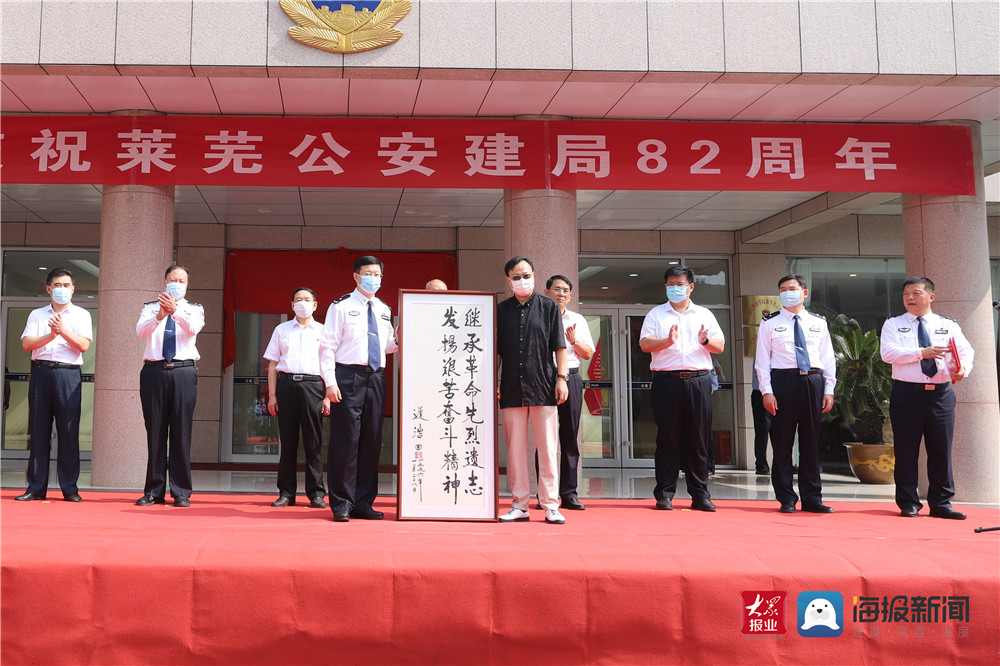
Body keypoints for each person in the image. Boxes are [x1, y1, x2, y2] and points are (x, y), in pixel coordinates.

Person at [880, 277, 974, 520]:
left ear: (930, 297)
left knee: (941, 450)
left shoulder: (948, 325)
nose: (910, 298)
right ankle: (909, 503)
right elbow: (888, 353)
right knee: (906, 450)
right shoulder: (893, 324)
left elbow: (965, 352)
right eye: (906, 294)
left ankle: (942, 503)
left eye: (916, 293)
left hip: (941, 395)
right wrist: (921, 353)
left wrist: (963, 369)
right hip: (906, 393)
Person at [639, 265, 725, 512]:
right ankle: (664, 494)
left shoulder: (704, 314)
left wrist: (705, 341)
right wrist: (667, 341)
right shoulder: (656, 314)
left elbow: (720, 346)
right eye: (671, 284)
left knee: (698, 440)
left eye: (680, 284)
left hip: (699, 381)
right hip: (667, 381)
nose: (675, 289)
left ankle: (700, 494)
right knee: (668, 438)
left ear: (691, 287)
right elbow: (644, 344)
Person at [321, 256, 397, 522]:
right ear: (356, 276)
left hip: (376, 377)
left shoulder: (384, 308)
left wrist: (400, 336)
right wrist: (330, 382)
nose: (373, 278)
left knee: (371, 440)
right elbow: (328, 346)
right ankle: (342, 502)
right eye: (368, 273)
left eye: (377, 274)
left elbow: (388, 345)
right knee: (346, 440)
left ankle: (364, 501)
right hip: (347, 377)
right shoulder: (340, 306)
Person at [497, 257, 569, 525]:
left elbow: (559, 346)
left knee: (548, 448)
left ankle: (551, 504)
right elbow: (497, 352)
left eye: (526, 275)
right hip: (511, 388)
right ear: (508, 280)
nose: (522, 281)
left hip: (544, 385)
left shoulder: (549, 306)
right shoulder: (501, 310)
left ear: (534, 276)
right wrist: (494, 382)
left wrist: (561, 378)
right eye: (516, 277)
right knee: (515, 450)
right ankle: (519, 505)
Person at [755, 274, 835, 514]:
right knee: (782, 441)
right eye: (782, 289)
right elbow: (762, 362)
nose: (787, 292)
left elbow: (828, 358)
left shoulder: (818, 323)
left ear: (804, 293)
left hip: (812, 380)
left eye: (792, 288)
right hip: (783, 382)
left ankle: (812, 498)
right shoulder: (769, 323)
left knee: (811, 441)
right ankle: (786, 498)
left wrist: (829, 389)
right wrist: (766, 392)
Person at [16, 268, 93, 502]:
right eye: (57, 285)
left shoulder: (82, 314)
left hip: (68, 375)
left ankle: (70, 488)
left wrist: (62, 331)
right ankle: (36, 487)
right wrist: (50, 336)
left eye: (66, 285)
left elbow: (83, 345)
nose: (62, 289)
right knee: (39, 431)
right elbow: (27, 344)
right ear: (48, 288)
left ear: (73, 289)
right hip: (41, 372)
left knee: (68, 432)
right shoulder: (37, 314)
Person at [135, 265, 204, 507]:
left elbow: (193, 329)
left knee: (181, 432)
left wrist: (175, 312)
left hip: (183, 371)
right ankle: (153, 490)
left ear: (187, 283)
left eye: (182, 280)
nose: (177, 283)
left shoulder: (194, 309)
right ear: (164, 282)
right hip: (154, 372)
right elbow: (140, 332)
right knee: (155, 431)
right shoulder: (150, 307)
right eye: (173, 279)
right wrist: (160, 315)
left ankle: (181, 491)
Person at [263, 287, 329, 509]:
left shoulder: (323, 331)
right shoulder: (281, 330)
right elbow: (272, 364)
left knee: (313, 442)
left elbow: (329, 365)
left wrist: (328, 394)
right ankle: (286, 493)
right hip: (287, 385)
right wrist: (272, 395)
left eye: (307, 299)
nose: (302, 303)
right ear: (292, 305)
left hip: (313, 387)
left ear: (315, 305)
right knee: (288, 442)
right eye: (298, 300)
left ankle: (316, 493)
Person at [542, 275, 594, 510]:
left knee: (569, 436)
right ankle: (545, 493)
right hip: (544, 378)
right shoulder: (539, 315)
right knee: (545, 438)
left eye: (566, 291)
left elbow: (586, 354)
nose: (561, 294)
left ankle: (569, 493)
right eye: (557, 289)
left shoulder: (578, 319)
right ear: (546, 292)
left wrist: (573, 341)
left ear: (570, 296)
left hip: (571, 378)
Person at [750, 358, 771, 475]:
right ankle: (761, 464)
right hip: (760, 393)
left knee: (779, 431)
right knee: (762, 430)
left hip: (778, 394)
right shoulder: (761, 353)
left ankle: (783, 463)